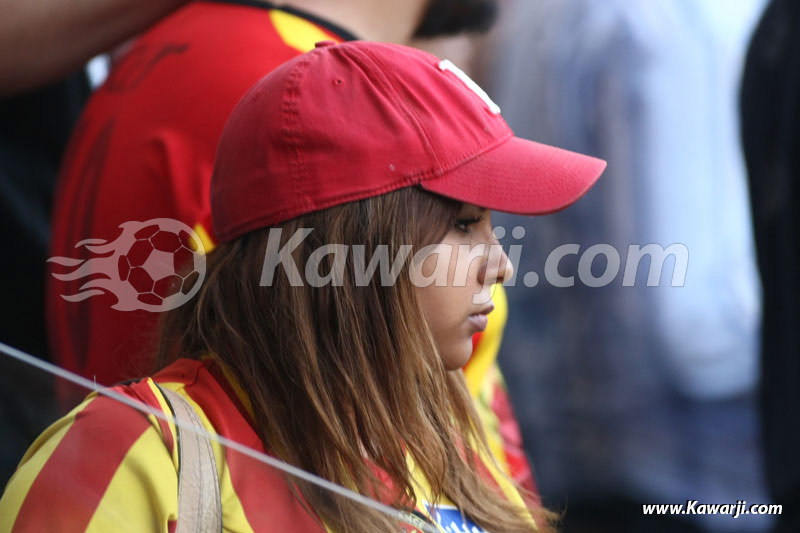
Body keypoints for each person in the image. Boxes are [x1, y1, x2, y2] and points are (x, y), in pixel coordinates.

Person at [2, 41, 606, 532]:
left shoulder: (441, 433)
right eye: (466, 224)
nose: (500, 265)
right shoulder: (133, 455)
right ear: (345, 256)